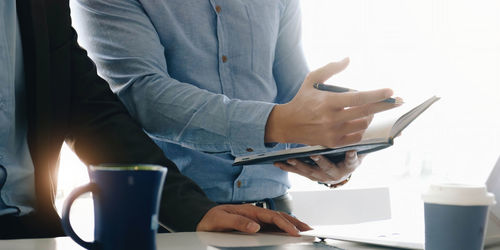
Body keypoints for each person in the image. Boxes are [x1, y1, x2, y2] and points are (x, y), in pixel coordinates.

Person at [0, 0, 311, 239]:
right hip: (151, 224)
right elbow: (144, 94)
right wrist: (273, 123)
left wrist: (332, 147)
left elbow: (88, 109)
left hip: (30, 228)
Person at [71, 0, 400, 213]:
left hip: (276, 216)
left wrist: (334, 162)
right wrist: (275, 123)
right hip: (166, 218)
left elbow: (294, 97)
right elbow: (144, 94)